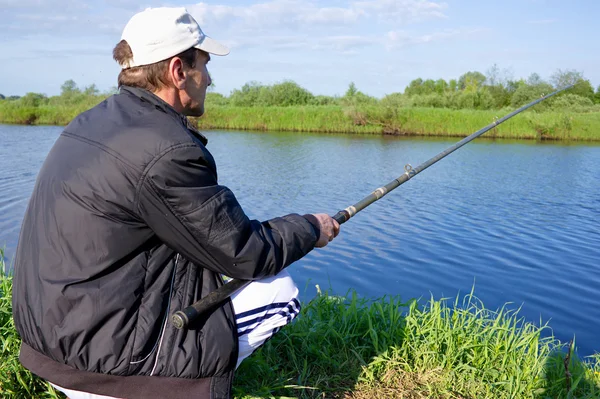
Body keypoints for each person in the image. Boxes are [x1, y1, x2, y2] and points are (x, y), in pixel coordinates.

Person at [12, 7, 339, 399]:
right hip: (96, 362)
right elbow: (247, 253)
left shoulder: (89, 121)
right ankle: (165, 388)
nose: (210, 78)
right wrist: (311, 228)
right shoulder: (168, 150)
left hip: (45, 339)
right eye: (204, 63)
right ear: (177, 71)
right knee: (279, 290)